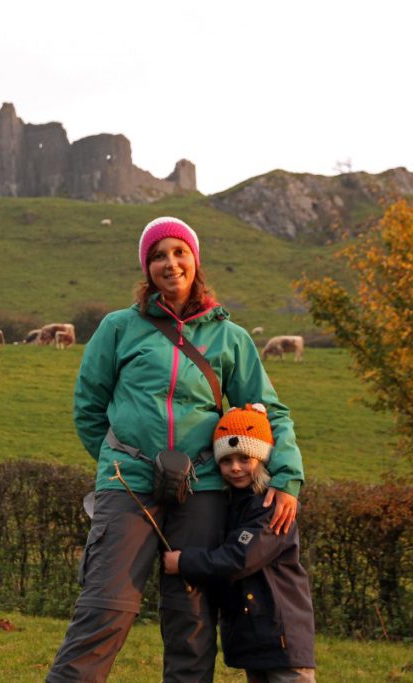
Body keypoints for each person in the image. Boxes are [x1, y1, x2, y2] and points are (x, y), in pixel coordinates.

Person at [47, 216, 305, 682]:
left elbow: (271, 413)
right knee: (105, 606)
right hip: (128, 484)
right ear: (147, 269)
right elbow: (89, 408)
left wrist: (286, 479)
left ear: (195, 260)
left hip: (203, 485)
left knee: (192, 619)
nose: (170, 263)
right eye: (158, 256)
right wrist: (118, 461)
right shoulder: (119, 328)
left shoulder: (230, 337)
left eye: (179, 252)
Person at [163, 403, 316, 682]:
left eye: (244, 458)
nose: (235, 468)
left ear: (262, 458)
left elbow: (240, 557)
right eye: (226, 460)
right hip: (254, 637)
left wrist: (183, 561)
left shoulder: (270, 506)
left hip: (280, 636)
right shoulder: (234, 505)